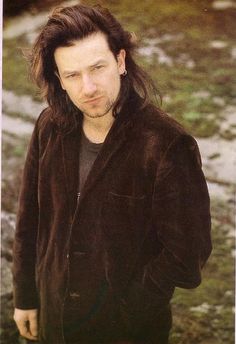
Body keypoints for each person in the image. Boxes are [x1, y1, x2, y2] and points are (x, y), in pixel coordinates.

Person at [12, 3, 212, 344]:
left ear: (120, 61)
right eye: (73, 75)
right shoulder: (49, 127)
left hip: (126, 331)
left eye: (97, 68)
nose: (88, 88)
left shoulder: (166, 144)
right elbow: (30, 217)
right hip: (54, 321)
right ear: (59, 79)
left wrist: (130, 303)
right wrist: (26, 297)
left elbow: (187, 255)